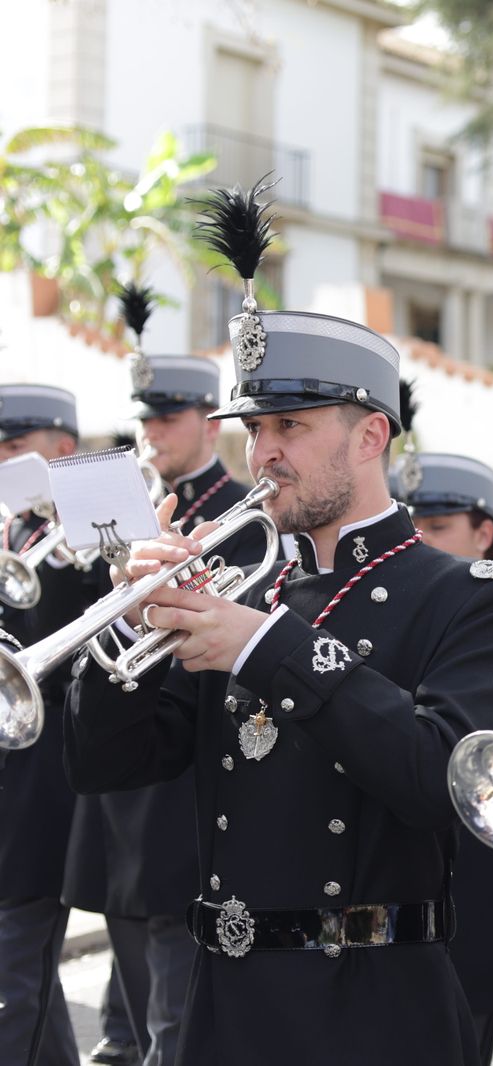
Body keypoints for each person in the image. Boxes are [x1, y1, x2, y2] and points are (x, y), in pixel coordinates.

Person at [62, 179, 493, 1065]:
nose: (264, 452)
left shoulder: (468, 594)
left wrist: (265, 645)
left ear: (370, 436)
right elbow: (107, 764)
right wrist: (125, 625)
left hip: (371, 1009)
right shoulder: (243, 581)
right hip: (226, 1005)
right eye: (254, 428)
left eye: (290, 426)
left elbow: (437, 780)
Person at [63, 330, 269, 1066]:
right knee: (137, 999)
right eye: (145, 418)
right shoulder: (121, 506)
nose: (151, 432)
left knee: (172, 1022)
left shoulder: (244, 513)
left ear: (210, 425)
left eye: (168, 417)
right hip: (119, 765)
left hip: (182, 790)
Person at [396, 451, 493, 1062]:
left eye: (437, 526)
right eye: (412, 525)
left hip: (479, 893)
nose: (419, 539)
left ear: (485, 533)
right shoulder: (392, 604)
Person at [0, 384, 97, 1066]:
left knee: (14, 968)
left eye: (15, 447)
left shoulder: (87, 534)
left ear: (61, 450)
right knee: (26, 975)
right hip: (12, 768)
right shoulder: (9, 532)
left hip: (42, 776)